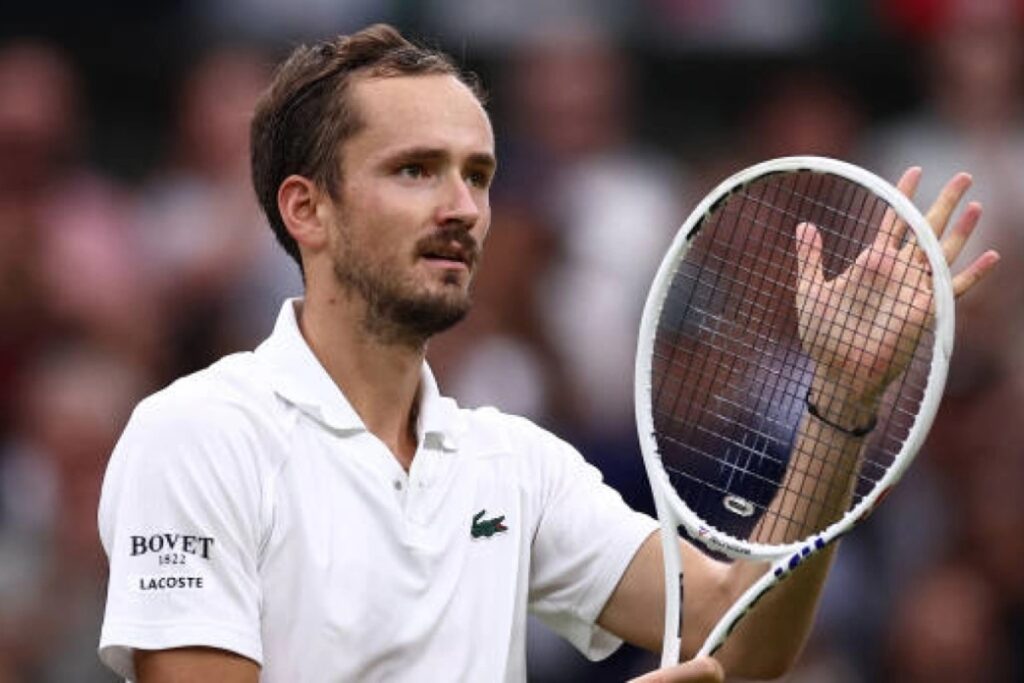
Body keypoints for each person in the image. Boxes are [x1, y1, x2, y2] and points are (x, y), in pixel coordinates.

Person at [96, 24, 998, 682]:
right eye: (415, 169)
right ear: (307, 210)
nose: (463, 207)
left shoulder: (513, 462)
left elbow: (736, 636)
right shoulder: (198, 433)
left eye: (478, 175)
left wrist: (836, 403)